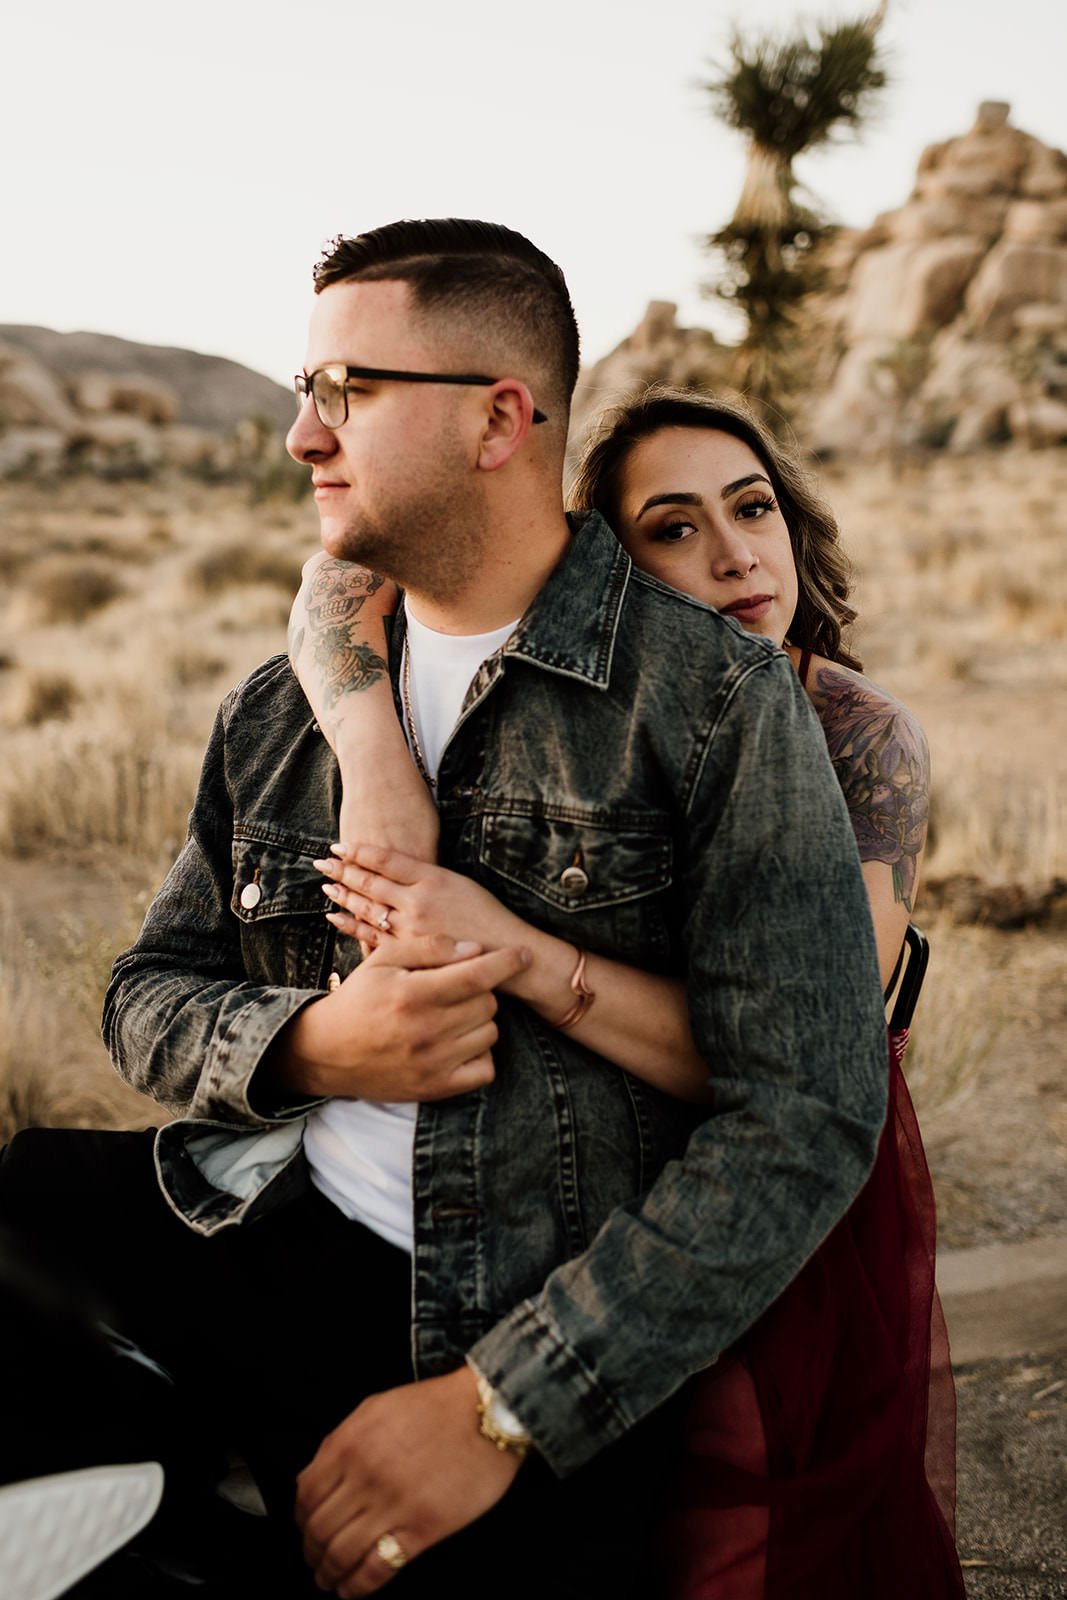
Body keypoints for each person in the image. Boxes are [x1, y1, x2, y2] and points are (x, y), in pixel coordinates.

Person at [0, 222, 889, 1600]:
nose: (300, 435)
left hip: (516, 1316)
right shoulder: (280, 707)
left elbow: (808, 1114)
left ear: (497, 420)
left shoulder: (708, 701)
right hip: (271, 1227)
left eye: (344, 390)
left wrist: (501, 1403)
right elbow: (144, 995)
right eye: (307, 392)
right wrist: (313, 1048)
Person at [286, 385, 964, 1597]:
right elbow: (332, 581)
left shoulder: (857, 733)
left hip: (778, 1189)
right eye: (671, 526)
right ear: (612, 567)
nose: (734, 552)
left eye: (750, 507)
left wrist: (522, 954)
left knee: (752, 1523)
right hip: (592, 1176)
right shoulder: (611, 704)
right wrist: (376, 759)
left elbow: (807, 1063)